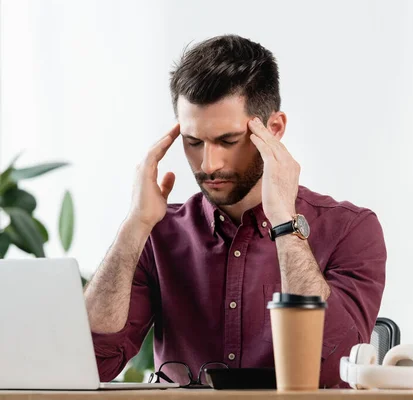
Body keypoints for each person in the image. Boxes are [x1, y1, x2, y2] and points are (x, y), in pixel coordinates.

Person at [83, 34, 386, 388]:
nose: (209, 165)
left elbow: (333, 369)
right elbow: (92, 362)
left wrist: (285, 224)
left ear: (272, 130)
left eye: (227, 141)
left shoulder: (350, 230)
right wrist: (134, 226)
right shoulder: (159, 233)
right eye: (193, 142)